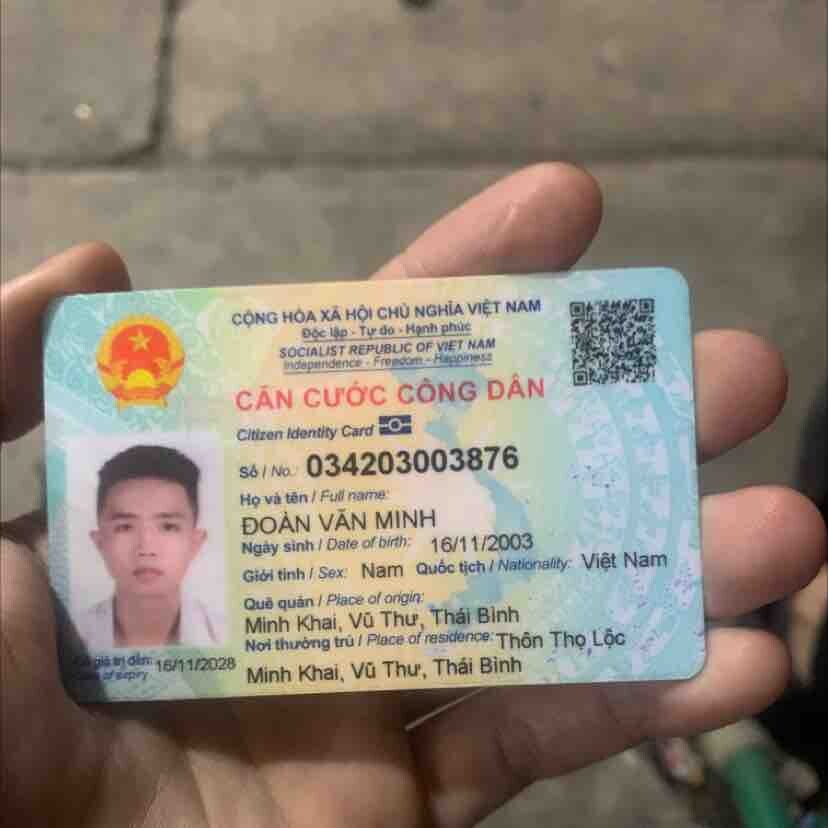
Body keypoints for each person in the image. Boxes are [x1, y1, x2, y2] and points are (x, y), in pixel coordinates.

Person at [1, 164, 826, 826]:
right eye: (125, 523)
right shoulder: (94, 658)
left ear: (200, 534)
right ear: (97, 536)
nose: (147, 544)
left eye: (167, 521)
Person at [76, 444, 221, 648]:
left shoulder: (226, 635)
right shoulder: (70, 637)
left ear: (195, 543)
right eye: (125, 527)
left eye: (168, 527)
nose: (146, 549)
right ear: (100, 542)